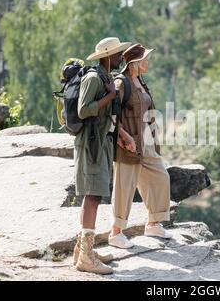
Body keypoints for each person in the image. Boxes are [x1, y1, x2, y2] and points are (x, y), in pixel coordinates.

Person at [73, 37, 131, 274]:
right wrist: (110, 96)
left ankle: (83, 251)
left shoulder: (105, 78)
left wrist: (119, 136)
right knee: (93, 195)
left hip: (102, 142)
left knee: (94, 194)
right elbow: (83, 110)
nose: (121, 57)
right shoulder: (94, 78)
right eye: (117, 54)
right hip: (91, 144)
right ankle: (86, 257)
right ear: (107, 56)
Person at [109, 43, 172, 250]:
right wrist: (124, 137)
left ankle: (153, 223)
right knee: (124, 186)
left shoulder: (140, 82)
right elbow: (110, 116)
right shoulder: (121, 83)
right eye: (146, 58)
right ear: (135, 62)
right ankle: (115, 233)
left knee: (160, 175)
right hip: (128, 143)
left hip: (145, 140)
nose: (148, 62)